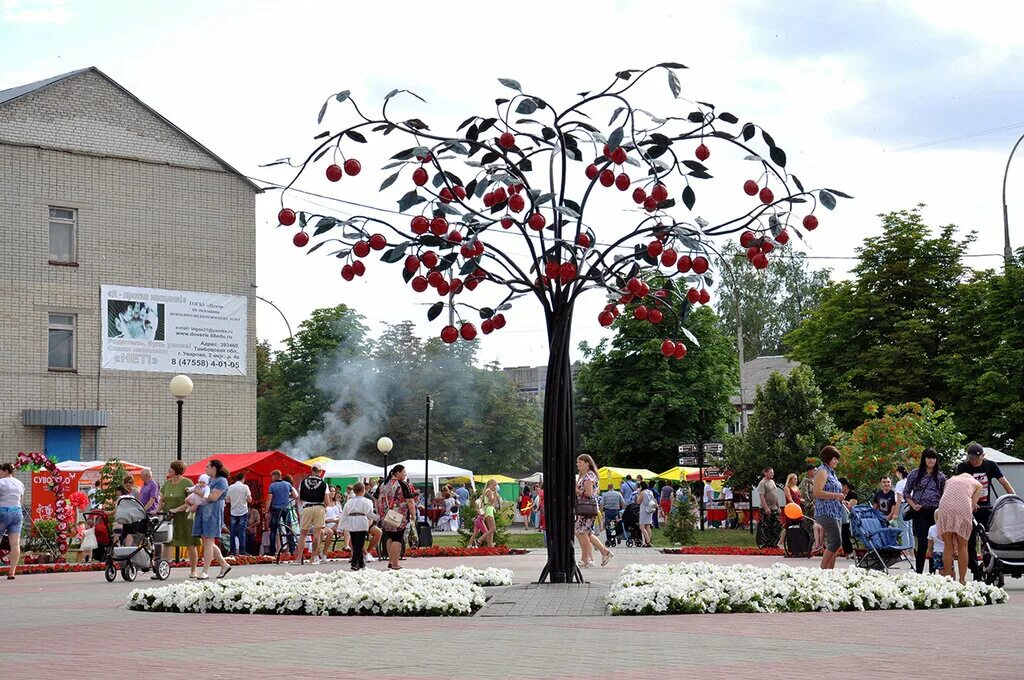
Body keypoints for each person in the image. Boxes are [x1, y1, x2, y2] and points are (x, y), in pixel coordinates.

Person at [956, 442, 1016, 580]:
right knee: (969, 538)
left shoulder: (990, 465)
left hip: (985, 506)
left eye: (977, 459)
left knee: (987, 537)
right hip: (968, 507)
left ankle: (988, 562)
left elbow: (1004, 482)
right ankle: (973, 567)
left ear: (983, 456)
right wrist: (970, 502)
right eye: (971, 459)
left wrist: (1013, 499)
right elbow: (959, 487)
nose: (974, 461)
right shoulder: (963, 467)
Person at [936, 472, 984, 584]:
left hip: (944, 508)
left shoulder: (950, 481)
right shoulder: (977, 484)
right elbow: (973, 505)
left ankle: (948, 578)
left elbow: (947, 496)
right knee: (963, 546)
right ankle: (962, 580)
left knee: (948, 545)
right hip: (962, 509)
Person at [903, 448, 946, 573]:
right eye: (928, 458)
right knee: (922, 542)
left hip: (935, 513)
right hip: (919, 511)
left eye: (933, 458)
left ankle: (932, 572)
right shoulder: (915, 474)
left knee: (934, 541)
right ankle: (919, 571)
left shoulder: (940, 476)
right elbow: (906, 492)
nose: (931, 460)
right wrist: (913, 504)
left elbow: (944, 495)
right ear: (924, 459)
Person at [191, 459, 231, 580]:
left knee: (208, 540)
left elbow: (213, 497)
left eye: (208, 467)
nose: (206, 469)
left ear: (214, 468)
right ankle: (224, 565)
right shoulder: (210, 480)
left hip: (213, 512)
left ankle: (205, 571)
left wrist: (197, 491)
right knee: (207, 541)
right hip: (203, 512)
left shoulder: (222, 481)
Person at [159, 460, 199, 578]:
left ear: (176, 470)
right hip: (169, 517)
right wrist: (157, 510)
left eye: (171, 468)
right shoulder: (167, 483)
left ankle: (193, 570)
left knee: (190, 543)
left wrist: (177, 509)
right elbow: (162, 500)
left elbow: (191, 501)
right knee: (167, 543)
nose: (169, 470)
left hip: (185, 518)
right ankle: (163, 570)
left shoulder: (187, 482)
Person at [574, 454, 613, 567]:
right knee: (586, 533)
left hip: (586, 508)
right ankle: (603, 552)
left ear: (587, 463)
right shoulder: (586, 475)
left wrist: (577, 490)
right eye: (577, 462)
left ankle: (585, 559)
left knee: (582, 532)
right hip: (586, 508)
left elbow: (588, 494)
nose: (578, 464)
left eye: (580, 462)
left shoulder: (588, 477)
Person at [812, 446, 846, 569]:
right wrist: (836, 496)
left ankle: (831, 572)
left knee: (834, 543)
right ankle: (822, 570)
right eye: (834, 458)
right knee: (836, 541)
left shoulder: (832, 473)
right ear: (828, 459)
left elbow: (834, 493)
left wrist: (841, 499)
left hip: (835, 511)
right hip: (826, 511)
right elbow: (817, 492)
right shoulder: (822, 471)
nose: (837, 461)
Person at [378, 465, 416, 570]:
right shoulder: (402, 484)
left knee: (390, 537)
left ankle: (391, 561)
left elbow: (376, 498)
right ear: (397, 473)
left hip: (386, 515)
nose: (405, 474)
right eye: (404, 472)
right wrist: (413, 514)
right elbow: (410, 500)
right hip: (399, 516)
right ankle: (395, 563)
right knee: (397, 539)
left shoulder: (384, 484)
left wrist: (380, 513)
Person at [294, 462, 329, 565]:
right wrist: (322, 507)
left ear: (311, 470)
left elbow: (299, 499)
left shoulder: (303, 482)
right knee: (317, 535)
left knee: (303, 534)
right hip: (319, 508)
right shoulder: (324, 484)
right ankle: (313, 558)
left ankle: (299, 558)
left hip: (307, 507)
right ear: (320, 471)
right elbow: (326, 501)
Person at [340, 482, 377, 571]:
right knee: (359, 544)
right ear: (363, 490)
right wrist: (378, 518)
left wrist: (340, 527)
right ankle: (355, 562)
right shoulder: (367, 501)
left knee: (356, 542)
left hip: (351, 522)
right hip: (361, 522)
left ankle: (361, 563)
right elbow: (369, 513)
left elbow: (344, 514)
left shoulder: (349, 501)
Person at [0, 462, 25, 579]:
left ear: (5, 471)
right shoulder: (20, 483)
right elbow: (21, 500)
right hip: (17, 512)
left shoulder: (1, 482)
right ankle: (12, 572)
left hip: (3, 512)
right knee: (15, 544)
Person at [266, 470, 296, 556]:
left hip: (276, 509)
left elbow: (269, 499)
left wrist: (266, 510)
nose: (271, 478)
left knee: (273, 530)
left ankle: (272, 550)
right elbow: (295, 496)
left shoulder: (272, 486)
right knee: (289, 529)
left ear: (275, 476)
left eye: (272, 476)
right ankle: (292, 549)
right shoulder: (288, 484)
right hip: (286, 509)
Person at [225, 472, 251, 558]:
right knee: (242, 531)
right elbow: (249, 499)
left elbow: (227, 500)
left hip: (233, 511)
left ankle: (232, 551)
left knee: (233, 532)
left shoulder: (230, 487)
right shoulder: (245, 487)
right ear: (243, 479)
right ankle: (242, 550)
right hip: (243, 511)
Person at [323, 486, 344, 556]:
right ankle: (324, 552)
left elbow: (341, 515)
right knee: (339, 528)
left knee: (349, 530)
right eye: (331, 491)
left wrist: (338, 520)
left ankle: (351, 551)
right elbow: (323, 519)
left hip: (338, 523)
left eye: (334, 491)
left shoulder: (337, 503)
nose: (333, 493)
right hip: (328, 524)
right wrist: (333, 521)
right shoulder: (324, 504)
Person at [480, 479, 500, 547]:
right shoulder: (489, 491)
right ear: (490, 484)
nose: (495, 486)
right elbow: (492, 502)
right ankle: (480, 540)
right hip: (488, 510)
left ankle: (490, 544)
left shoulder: (489, 491)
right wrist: (495, 495)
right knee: (493, 529)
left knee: (491, 529)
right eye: (494, 485)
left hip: (489, 510)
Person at [637, 481, 655, 547]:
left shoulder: (642, 493)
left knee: (642, 527)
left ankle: (648, 541)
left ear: (641, 486)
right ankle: (649, 541)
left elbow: (638, 502)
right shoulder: (650, 492)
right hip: (650, 510)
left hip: (643, 510)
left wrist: (639, 493)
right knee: (648, 526)